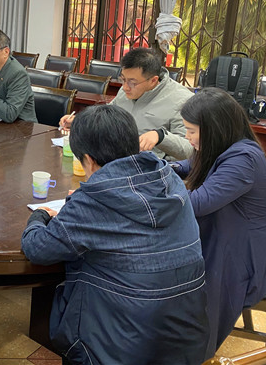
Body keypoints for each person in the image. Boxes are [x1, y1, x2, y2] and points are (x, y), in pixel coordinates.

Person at [21, 104, 208, 365]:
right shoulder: (169, 178)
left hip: (118, 351)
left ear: (88, 160)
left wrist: (40, 215)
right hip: (188, 341)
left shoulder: (94, 200)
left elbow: (37, 249)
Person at [172, 88, 266, 358]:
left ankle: (198, 354)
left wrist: (151, 193)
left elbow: (196, 203)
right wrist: (162, 170)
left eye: (191, 131)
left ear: (214, 129)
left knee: (200, 315)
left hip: (240, 254)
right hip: (221, 237)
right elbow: (189, 165)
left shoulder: (244, 159)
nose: (187, 137)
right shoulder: (223, 146)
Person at [60, 48, 193, 160]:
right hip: (116, 159)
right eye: (123, 79)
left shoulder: (181, 100)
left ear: (153, 80)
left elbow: (189, 149)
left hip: (153, 168)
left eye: (132, 82)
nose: (125, 87)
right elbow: (108, 116)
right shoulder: (126, 90)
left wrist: (160, 136)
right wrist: (80, 121)